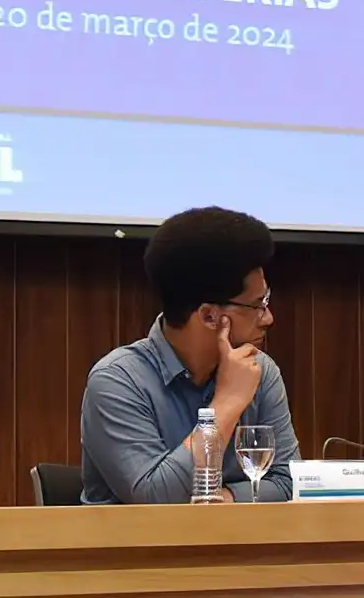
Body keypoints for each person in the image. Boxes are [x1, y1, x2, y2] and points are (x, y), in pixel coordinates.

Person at [80, 206, 301, 504]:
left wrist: (223, 500)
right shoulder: (117, 381)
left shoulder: (260, 370)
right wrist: (227, 403)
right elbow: (156, 501)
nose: (268, 318)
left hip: (236, 536)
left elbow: (289, 483)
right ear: (209, 316)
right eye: (257, 305)